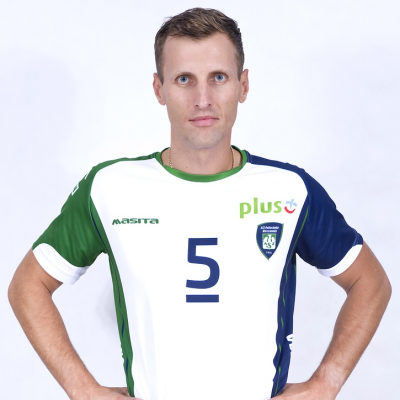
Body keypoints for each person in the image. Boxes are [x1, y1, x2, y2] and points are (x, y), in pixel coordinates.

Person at [8, 7, 391, 400]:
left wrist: (326, 384)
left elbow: (371, 282)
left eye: (218, 78)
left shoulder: (289, 189)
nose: (202, 99)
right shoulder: (110, 188)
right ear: (159, 89)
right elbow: (28, 285)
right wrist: (83, 390)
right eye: (184, 79)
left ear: (243, 85)